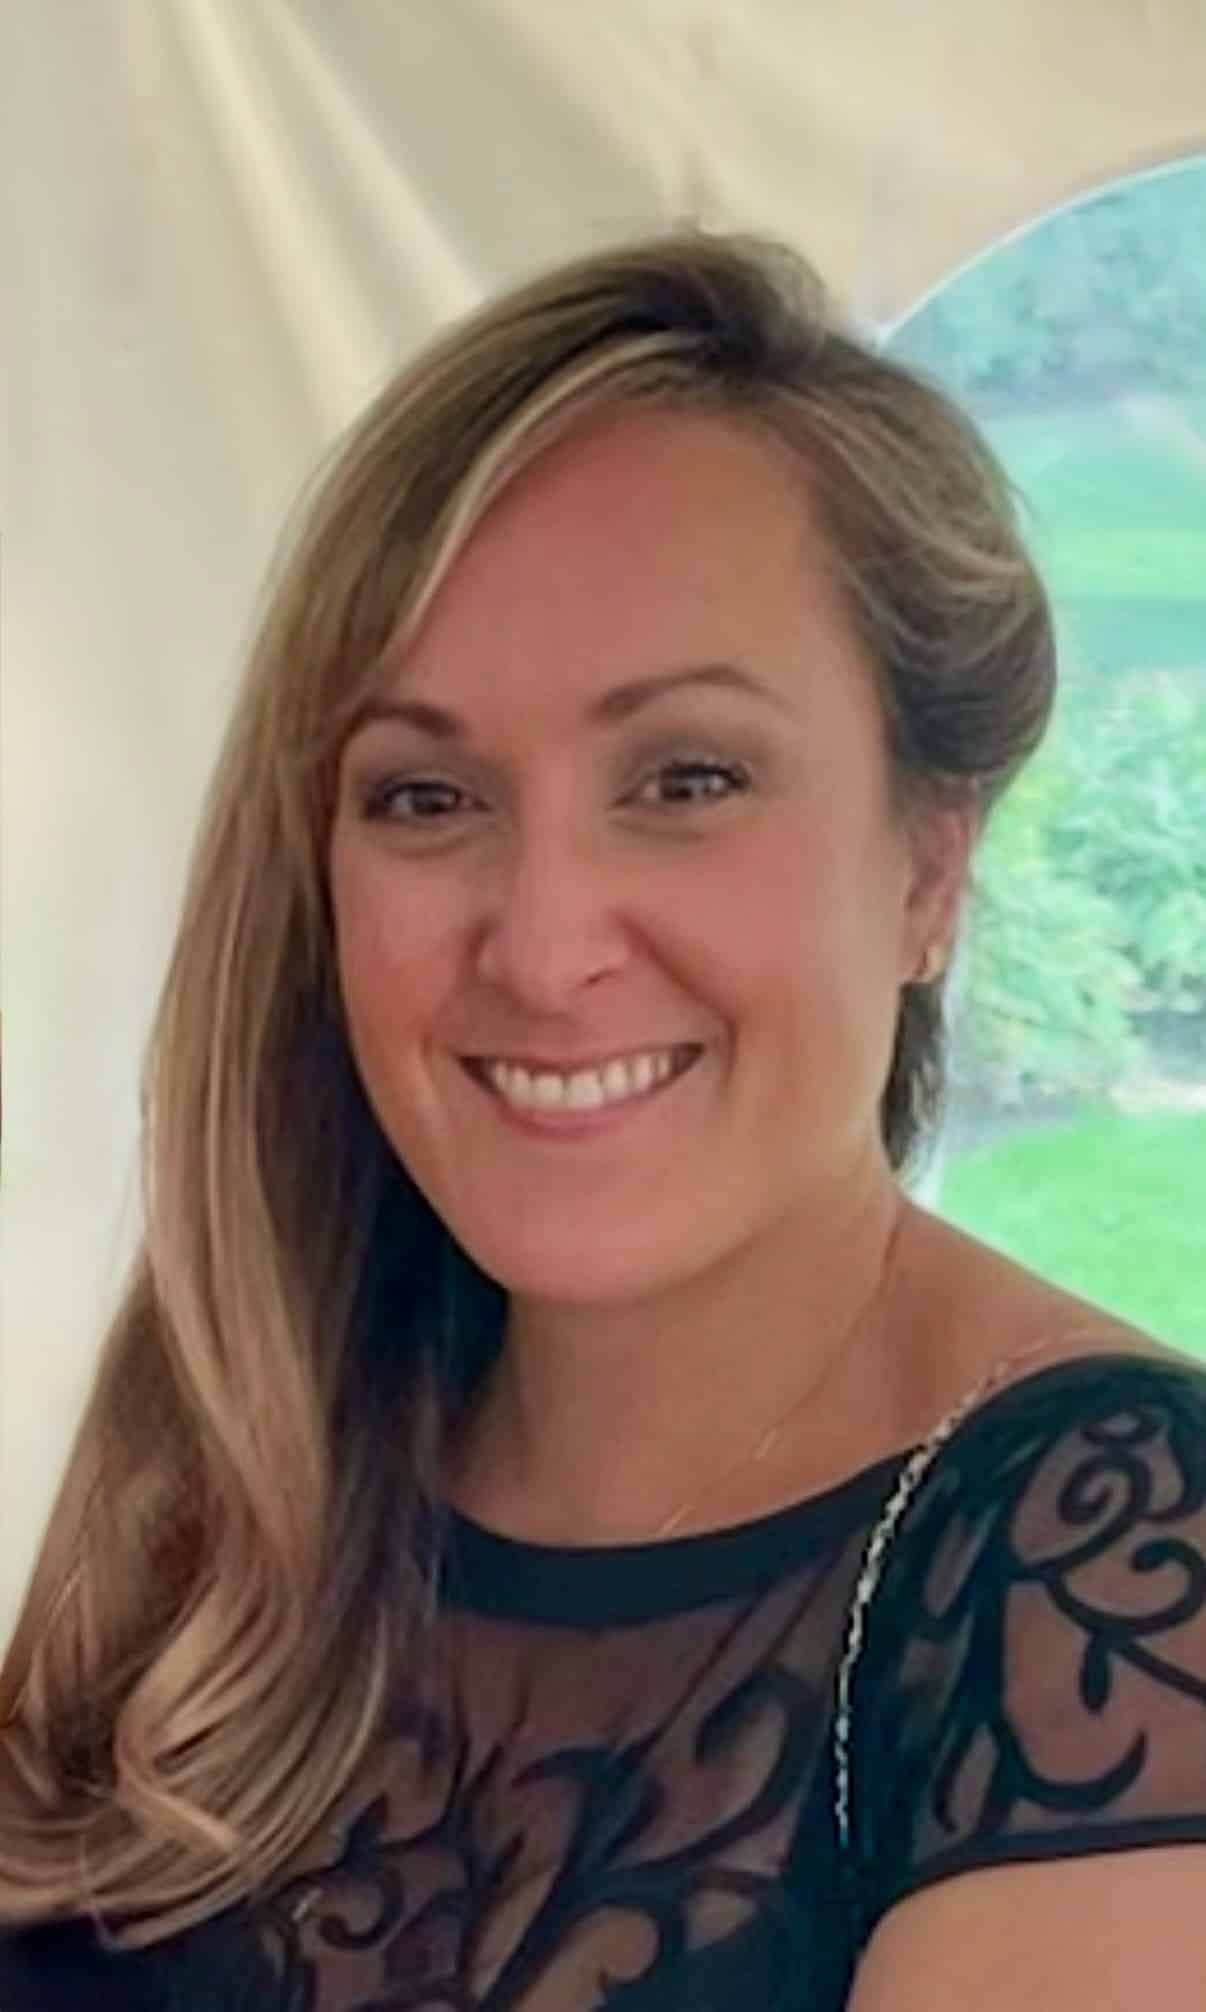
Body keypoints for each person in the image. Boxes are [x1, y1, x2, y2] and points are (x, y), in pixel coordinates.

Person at [1, 230, 1204, 2012]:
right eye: (426, 795)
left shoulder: (1108, 1579)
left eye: (686, 779)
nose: (544, 944)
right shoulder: (240, 1482)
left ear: (927, 863)